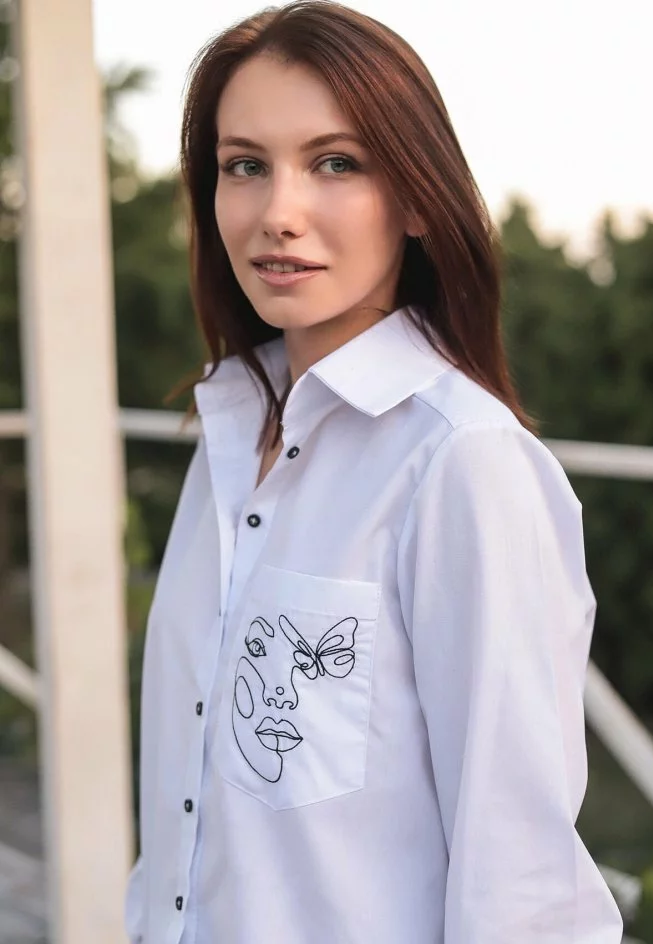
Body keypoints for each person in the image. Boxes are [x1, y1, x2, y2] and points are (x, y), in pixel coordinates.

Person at [125, 2, 624, 942]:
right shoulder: (227, 436)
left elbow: (519, 878)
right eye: (244, 166)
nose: (278, 213)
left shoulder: (462, 463)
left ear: (419, 198)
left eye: (336, 163)